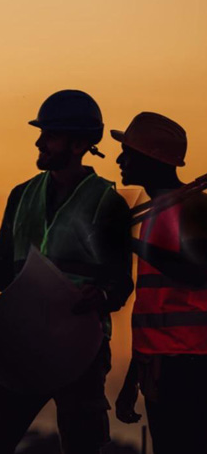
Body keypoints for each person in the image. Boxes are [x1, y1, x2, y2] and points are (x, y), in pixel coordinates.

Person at [0, 90, 133, 454]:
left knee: (82, 442)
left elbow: (120, 282)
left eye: (50, 134)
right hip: (23, 343)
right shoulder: (21, 195)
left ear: (79, 144)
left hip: (79, 349)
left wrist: (100, 296)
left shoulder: (107, 203)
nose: (39, 141)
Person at [112, 112, 207, 454]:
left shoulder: (193, 207)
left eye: (129, 153)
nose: (120, 160)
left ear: (151, 157)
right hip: (163, 367)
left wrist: (130, 243)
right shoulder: (158, 214)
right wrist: (132, 381)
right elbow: (152, 310)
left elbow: (196, 273)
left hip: (193, 367)